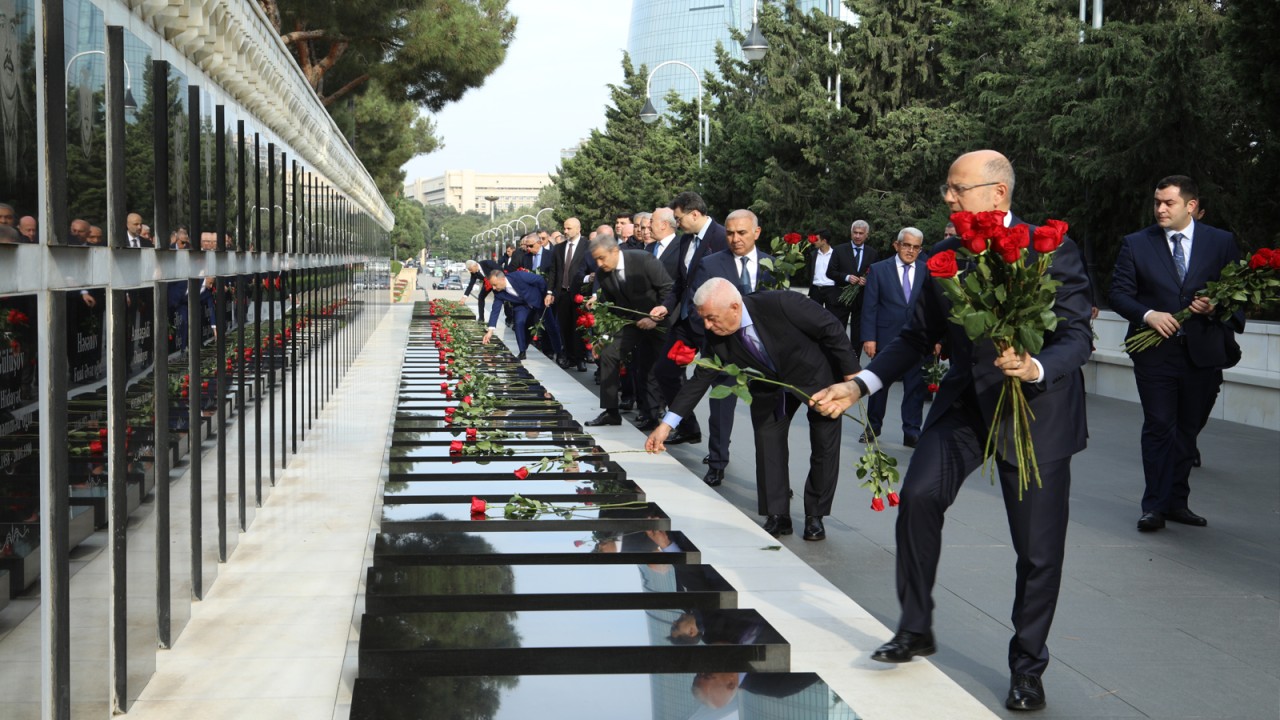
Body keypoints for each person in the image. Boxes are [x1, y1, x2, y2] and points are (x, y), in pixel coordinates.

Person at [811, 149, 1092, 712]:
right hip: (965, 405)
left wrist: (1034, 368)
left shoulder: (1051, 249)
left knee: (1037, 551)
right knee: (917, 498)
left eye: (957, 188)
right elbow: (916, 338)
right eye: (947, 188)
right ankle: (916, 625)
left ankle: (1027, 666)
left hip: (1036, 410)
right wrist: (860, 384)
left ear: (998, 195)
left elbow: (1078, 336)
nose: (947, 197)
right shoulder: (945, 256)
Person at [648, 278, 858, 541]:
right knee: (768, 442)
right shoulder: (715, 335)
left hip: (816, 377)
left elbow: (831, 327)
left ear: (735, 307)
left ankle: (815, 515)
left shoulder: (781, 303)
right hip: (769, 387)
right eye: (704, 319)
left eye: (712, 318)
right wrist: (667, 424)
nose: (707, 326)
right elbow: (701, 377)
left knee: (824, 445)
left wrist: (853, 378)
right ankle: (777, 514)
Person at [1108, 175, 1241, 532]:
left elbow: (1239, 294)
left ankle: (1177, 502)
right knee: (1159, 427)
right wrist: (1148, 315)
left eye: (1168, 203)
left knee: (1187, 431)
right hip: (1155, 355)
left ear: (1191, 206)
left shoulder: (1221, 241)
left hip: (1203, 353)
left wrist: (1216, 306)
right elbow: (1118, 294)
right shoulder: (1136, 244)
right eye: (1157, 202)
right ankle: (1153, 506)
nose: (1160, 209)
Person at [681, 209, 775, 488]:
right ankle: (717, 462)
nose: (735, 239)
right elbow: (695, 308)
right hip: (724, 351)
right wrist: (712, 341)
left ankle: (773, 475)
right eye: (730, 233)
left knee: (770, 418)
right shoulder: (710, 264)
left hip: (763, 355)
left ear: (756, 233)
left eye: (742, 233)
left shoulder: (772, 265)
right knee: (721, 409)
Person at [657, 191, 728, 448]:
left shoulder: (721, 237)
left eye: (678, 218)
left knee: (721, 392)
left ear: (695, 214)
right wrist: (666, 307)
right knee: (664, 371)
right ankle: (687, 427)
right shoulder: (686, 240)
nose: (676, 223)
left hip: (712, 325)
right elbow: (681, 282)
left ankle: (719, 457)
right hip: (686, 321)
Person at [583, 235, 672, 427]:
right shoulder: (603, 274)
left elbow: (668, 291)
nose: (598, 264)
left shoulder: (643, 260)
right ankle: (611, 412)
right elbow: (612, 311)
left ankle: (674, 420)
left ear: (615, 251)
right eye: (595, 259)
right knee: (608, 352)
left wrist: (655, 318)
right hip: (630, 323)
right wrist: (604, 338)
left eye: (601, 258)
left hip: (660, 322)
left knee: (663, 369)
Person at [860, 227, 928, 447]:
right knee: (878, 385)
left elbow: (933, 307)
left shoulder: (927, 271)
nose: (910, 251)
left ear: (920, 249)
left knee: (915, 388)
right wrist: (869, 338)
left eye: (915, 247)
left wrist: (937, 339)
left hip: (917, 340)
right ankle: (873, 427)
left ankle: (911, 431)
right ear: (896, 245)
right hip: (886, 339)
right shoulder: (879, 270)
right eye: (906, 245)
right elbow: (869, 306)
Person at [545, 217, 594, 372]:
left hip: (580, 293)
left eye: (569, 228)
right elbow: (554, 270)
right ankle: (569, 356)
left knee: (579, 327)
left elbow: (592, 269)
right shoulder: (559, 248)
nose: (565, 231)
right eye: (564, 228)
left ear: (578, 229)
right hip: (562, 293)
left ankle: (580, 359)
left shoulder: (588, 246)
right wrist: (550, 291)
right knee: (565, 327)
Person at [826, 220, 879, 358]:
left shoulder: (872, 253)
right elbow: (830, 272)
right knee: (837, 332)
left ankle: (854, 362)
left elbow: (876, 275)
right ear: (851, 233)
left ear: (866, 235)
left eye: (861, 233)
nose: (857, 236)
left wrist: (867, 281)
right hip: (839, 298)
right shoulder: (839, 250)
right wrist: (846, 277)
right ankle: (836, 359)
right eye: (855, 233)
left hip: (861, 300)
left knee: (858, 335)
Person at [481, 268, 546, 360]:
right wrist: (490, 331)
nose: (494, 288)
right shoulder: (498, 292)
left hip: (536, 300)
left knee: (542, 326)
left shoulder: (519, 276)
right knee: (519, 322)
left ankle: (557, 352)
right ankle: (522, 351)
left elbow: (539, 280)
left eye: (495, 285)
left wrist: (546, 295)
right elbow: (495, 310)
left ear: (502, 279)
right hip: (521, 306)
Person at [807, 229, 841, 321]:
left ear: (824, 241)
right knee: (814, 318)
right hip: (816, 289)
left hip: (831, 290)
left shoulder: (836, 254)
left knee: (831, 318)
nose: (814, 241)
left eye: (816, 239)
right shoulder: (812, 254)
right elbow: (809, 271)